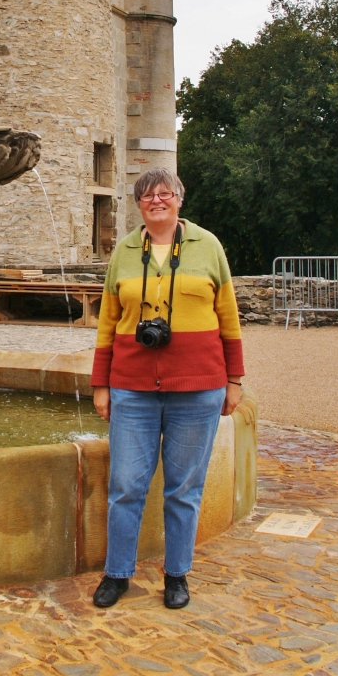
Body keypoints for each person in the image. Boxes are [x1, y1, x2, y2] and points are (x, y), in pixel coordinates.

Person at [90, 167, 244, 612]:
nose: (156, 200)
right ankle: (117, 573)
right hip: (133, 387)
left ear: (179, 199)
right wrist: (101, 384)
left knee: (184, 488)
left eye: (165, 194)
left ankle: (177, 575)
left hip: (198, 387)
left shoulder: (207, 246)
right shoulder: (123, 251)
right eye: (147, 196)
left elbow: (228, 317)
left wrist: (234, 379)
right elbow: (106, 323)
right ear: (138, 205)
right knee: (125, 486)